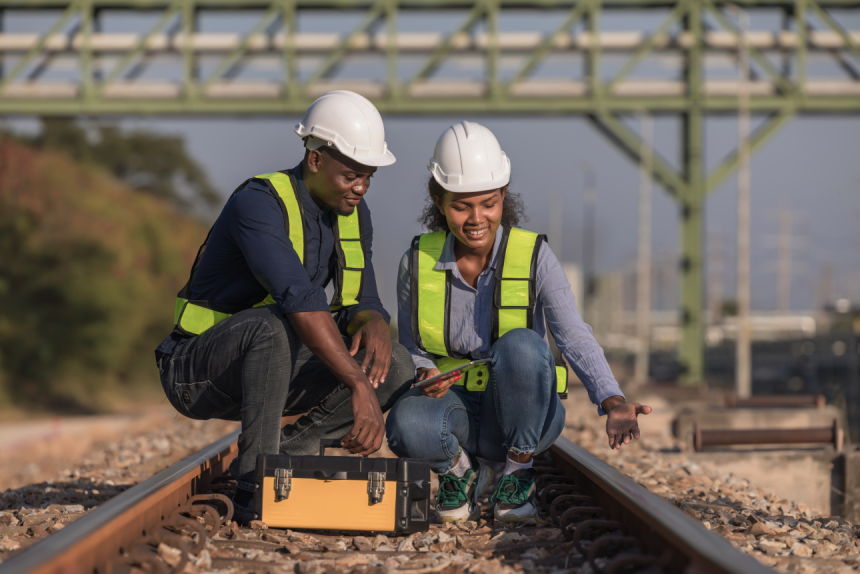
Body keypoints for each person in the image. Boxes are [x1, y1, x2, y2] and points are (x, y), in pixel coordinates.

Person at [155, 90, 415, 520]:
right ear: (315, 160)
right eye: (352, 175)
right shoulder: (258, 203)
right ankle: (254, 485)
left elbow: (362, 300)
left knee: (399, 365)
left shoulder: (352, 213)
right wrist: (358, 385)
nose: (362, 187)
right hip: (196, 372)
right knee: (275, 325)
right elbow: (300, 300)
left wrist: (375, 322)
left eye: (369, 176)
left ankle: (284, 458)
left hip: (270, 370)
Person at [386, 121, 652, 524]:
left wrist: (612, 400)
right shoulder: (417, 262)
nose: (477, 218)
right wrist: (424, 371)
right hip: (452, 413)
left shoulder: (534, 257)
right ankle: (460, 473)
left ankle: (516, 473)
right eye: (461, 205)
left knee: (523, 345)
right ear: (439, 201)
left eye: (488, 203)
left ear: (503, 196)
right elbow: (412, 347)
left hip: (523, 416)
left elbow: (573, 334)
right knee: (405, 423)